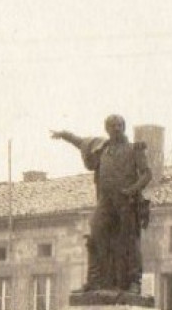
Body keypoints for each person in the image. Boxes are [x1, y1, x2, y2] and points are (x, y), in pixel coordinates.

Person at [51, 115, 153, 294]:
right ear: (107, 129)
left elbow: (146, 174)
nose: (118, 128)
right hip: (106, 200)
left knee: (130, 240)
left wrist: (132, 190)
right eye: (113, 126)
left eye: (121, 125)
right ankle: (95, 280)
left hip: (126, 201)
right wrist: (64, 135)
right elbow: (81, 142)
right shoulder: (101, 148)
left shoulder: (134, 149)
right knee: (95, 233)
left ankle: (134, 282)